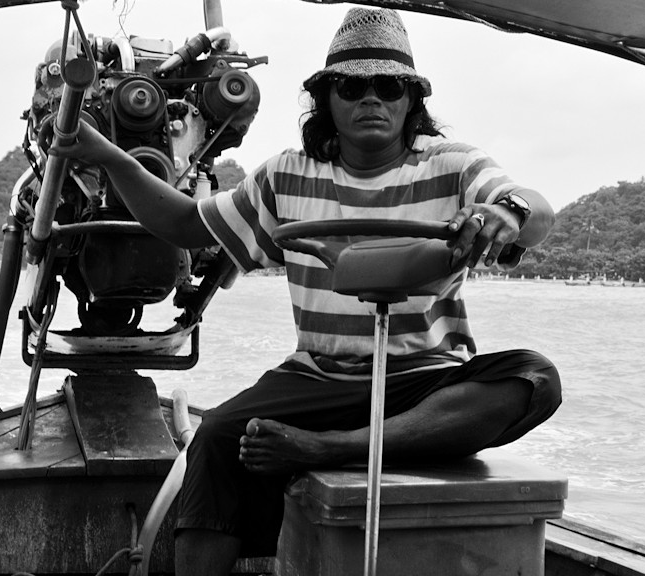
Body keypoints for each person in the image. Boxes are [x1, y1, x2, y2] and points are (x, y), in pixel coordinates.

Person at [52, 7, 561, 575]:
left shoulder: (453, 165)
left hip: (426, 378)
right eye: (352, 85)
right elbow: (184, 226)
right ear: (327, 99)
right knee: (218, 436)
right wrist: (108, 158)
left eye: (388, 86)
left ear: (410, 101)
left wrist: (505, 214)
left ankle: (331, 448)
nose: (372, 98)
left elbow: (531, 207)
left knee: (534, 378)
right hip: (318, 376)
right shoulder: (286, 176)